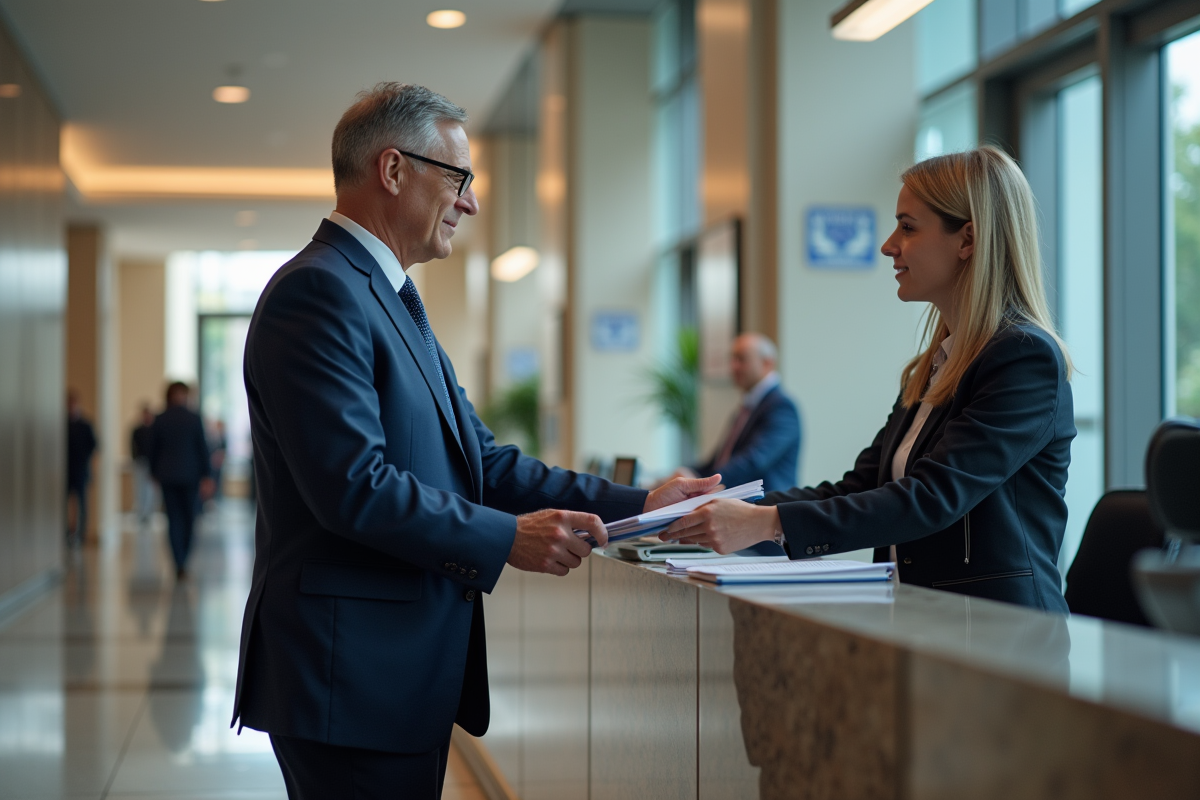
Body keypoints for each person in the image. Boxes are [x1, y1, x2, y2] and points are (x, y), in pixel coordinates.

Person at [229, 82, 714, 798]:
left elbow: (482, 461)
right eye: (458, 178)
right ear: (393, 171)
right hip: (347, 678)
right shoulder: (321, 291)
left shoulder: (386, 297)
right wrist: (504, 538)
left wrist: (643, 502)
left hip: (386, 677)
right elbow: (351, 487)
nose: (471, 202)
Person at [661, 146, 1076, 613]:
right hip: (922, 617)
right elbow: (860, 487)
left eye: (908, 227)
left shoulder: (1023, 358)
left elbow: (932, 498)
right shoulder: (934, 367)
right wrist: (727, 506)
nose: (888, 245)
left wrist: (764, 522)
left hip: (1001, 634)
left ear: (968, 240)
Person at [673, 333, 801, 493]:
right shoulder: (748, 406)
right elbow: (718, 462)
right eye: (732, 359)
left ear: (767, 363)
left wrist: (702, 484)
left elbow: (754, 461)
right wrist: (685, 475)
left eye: (741, 359)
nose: (733, 366)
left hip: (764, 507)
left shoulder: (781, 407)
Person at [148, 382, 213, 578]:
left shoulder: (160, 419)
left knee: (174, 519)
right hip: (190, 476)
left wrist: (154, 472)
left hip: (168, 476)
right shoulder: (193, 418)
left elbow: (152, 450)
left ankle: (179, 561)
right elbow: (203, 449)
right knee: (189, 518)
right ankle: (183, 559)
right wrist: (207, 475)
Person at [66, 389, 98, 548]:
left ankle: (81, 534)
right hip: (64, 472)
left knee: (82, 503)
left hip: (80, 470)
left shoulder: (85, 425)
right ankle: (66, 534)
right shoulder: (62, 423)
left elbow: (95, 445)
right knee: (64, 504)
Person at [130, 403, 156, 528]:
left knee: (150, 490)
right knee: (140, 489)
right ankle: (141, 513)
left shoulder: (155, 429)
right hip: (140, 462)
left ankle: (149, 513)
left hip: (152, 462)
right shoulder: (137, 430)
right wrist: (134, 458)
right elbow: (132, 446)